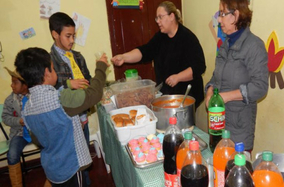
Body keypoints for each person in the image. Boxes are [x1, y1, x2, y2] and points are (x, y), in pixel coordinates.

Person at [14, 47, 109, 187]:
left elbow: (37, 139)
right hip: (72, 167)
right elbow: (94, 95)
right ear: (47, 73)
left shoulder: (28, 106)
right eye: (53, 68)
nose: (55, 71)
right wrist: (101, 67)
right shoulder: (61, 99)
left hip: (53, 167)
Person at [48, 12, 102, 187]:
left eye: (73, 36)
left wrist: (88, 84)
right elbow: (50, 90)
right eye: (68, 36)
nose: (72, 40)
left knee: (84, 156)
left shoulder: (77, 57)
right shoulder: (48, 61)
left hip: (82, 115)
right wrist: (69, 84)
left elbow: (87, 78)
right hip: (65, 119)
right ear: (55, 34)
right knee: (72, 162)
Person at [111, 1, 206, 109]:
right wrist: (124, 57)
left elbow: (199, 67)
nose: (158, 21)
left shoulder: (188, 38)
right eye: (157, 18)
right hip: (167, 95)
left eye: (160, 17)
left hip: (186, 97)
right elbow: (145, 51)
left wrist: (178, 77)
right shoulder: (160, 37)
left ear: (171, 16)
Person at [205, 0, 269, 152]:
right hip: (219, 125)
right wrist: (209, 94)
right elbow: (215, 78)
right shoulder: (225, 45)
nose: (219, 19)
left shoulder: (254, 46)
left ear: (235, 16)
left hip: (239, 130)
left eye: (222, 14)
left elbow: (260, 87)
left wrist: (225, 97)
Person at [2, 67, 51, 187]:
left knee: (47, 147)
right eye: (11, 83)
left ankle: (50, 177)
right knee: (12, 154)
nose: (11, 85)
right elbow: (5, 117)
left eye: (15, 83)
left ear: (24, 85)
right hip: (19, 134)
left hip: (36, 131)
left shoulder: (35, 96)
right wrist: (19, 121)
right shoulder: (10, 100)